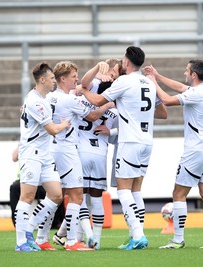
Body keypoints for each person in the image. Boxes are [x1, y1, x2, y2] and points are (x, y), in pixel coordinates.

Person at [78, 46, 156, 250]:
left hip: (129, 141)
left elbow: (96, 101)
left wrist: (83, 90)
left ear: (127, 62)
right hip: (147, 141)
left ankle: (138, 236)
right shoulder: (149, 82)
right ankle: (136, 234)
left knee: (123, 190)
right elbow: (162, 112)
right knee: (136, 190)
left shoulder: (124, 81)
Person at [143, 60, 203, 249]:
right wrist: (158, 75)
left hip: (195, 152)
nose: (184, 72)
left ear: (194, 74)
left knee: (178, 194)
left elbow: (168, 100)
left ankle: (178, 239)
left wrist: (153, 82)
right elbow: (181, 87)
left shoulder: (195, 94)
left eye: (187, 70)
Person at [47, 61, 113, 251]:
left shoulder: (50, 97)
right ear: (63, 79)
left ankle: (48, 236)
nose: (77, 79)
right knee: (79, 196)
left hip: (57, 149)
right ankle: (78, 240)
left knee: (59, 196)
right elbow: (93, 116)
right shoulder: (71, 99)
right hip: (71, 151)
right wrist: (109, 103)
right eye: (73, 76)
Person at [14, 62, 71, 252]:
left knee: (56, 195)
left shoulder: (40, 98)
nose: (55, 81)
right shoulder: (35, 102)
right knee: (27, 196)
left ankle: (29, 230)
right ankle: (21, 242)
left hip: (44, 155)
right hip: (32, 155)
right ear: (43, 80)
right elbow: (53, 130)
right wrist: (65, 124)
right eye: (52, 78)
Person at [75, 58, 122, 249]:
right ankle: (96, 240)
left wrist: (84, 85)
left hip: (81, 151)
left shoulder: (85, 92)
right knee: (96, 199)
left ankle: (78, 237)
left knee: (79, 198)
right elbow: (124, 130)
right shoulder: (115, 103)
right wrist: (110, 130)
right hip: (100, 153)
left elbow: (82, 85)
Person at [9, 146, 65, 229]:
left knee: (57, 192)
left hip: (44, 181)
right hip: (26, 180)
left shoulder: (48, 143)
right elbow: (14, 157)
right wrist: (23, 143)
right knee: (14, 188)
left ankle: (56, 222)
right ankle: (18, 224)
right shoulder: (27, 141)